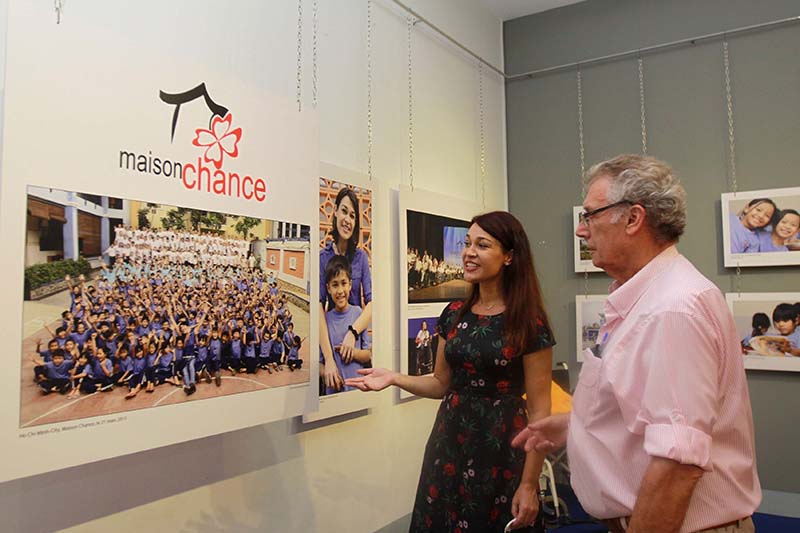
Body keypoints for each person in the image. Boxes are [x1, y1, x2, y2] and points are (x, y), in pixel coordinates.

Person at [513, 154, 761, 533]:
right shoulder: (646, 300)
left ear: (633, 218)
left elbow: (678, 464)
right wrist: (576, 429)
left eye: (590, 215)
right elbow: (647, 412)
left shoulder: (671, 310)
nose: (581, 231)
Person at [347, 211, 554, 531]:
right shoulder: (454, 313)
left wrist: (529, 483)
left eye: (482, 245)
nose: (469, 252)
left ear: (509, 256)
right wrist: (394, 378)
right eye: (467, 243)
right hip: (449, 443)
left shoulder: (529, 321)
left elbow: (540, 411)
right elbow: (441, 383)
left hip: (501, 447)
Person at [319, 187, 372, 393]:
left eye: (353, 216)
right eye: (344, 211)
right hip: (332, 338)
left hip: (355, 342)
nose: (347, 219)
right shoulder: (323, 258)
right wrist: (329, 361)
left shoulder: (361, 258)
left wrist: (353, 332)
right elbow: (318, 307)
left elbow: (371, 302)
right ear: (335, 212)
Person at [319, 256, 372, 395]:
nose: (340, 290)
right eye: (335, 285)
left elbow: (367, 355)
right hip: (333, 394)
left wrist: (353, 352)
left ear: (350, 284)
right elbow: (319, 363)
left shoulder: (359, 314)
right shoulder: (325, 321)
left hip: (357, 392)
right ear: (328, 288)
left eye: (344, 283)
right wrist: (328, 375)